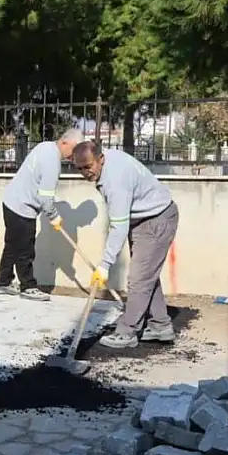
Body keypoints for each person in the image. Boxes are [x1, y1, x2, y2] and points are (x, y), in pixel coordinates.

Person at [71, 140, 179, 348]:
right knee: (146, 275)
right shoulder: (106, 164)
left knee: (139, 278)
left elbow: (118, 226)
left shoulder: (115, 181)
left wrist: (104, 265)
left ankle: (127, 332)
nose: (85, 172)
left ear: (100, 159)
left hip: (156, 220)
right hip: (143, 218)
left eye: (88, 166)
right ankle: (159, 325)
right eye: (80, 168)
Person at [0, 128, 84, 301]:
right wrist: (54, 216)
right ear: (64, 142)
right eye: (74, 150)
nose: (74, 156)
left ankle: (3, 280)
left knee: (12, 244)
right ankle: (28, 286)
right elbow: (45, 198)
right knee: (25, 249)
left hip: (10, 201)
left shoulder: (45, 146)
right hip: (22, 207)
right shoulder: (53, 162)